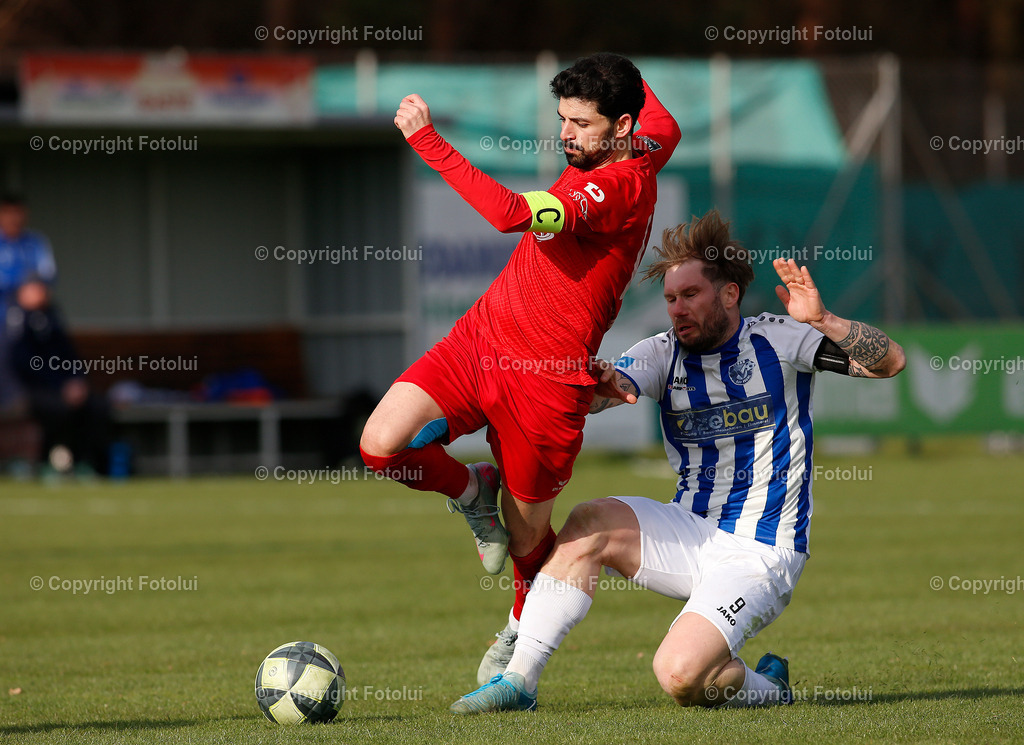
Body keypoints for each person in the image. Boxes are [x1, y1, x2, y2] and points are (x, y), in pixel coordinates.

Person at [449, 210, 906, 713]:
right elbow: (618, 387)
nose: (678, 310)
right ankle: (519, 682)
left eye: (691, 296)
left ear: (729, 294)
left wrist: (823, 320)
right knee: (589, 521)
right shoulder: (661, 353)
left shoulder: (780, 338)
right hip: (688, 530)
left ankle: (769, 688)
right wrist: (597, 390)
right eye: (670, 299)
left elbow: (890, 363)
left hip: (761, 552)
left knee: (682, 678)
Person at [359, 52, 681, 682]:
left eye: (581, 123)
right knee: (379, 445)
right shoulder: (645, 136)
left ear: (620, 128)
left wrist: (426, 138)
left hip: (547, 380)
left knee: (529, 540)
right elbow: (648, 98)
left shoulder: (618, 186)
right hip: (480, 342)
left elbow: (509, 214)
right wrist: (609, 65)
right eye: (562, 118)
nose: (566, 134)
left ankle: (517, 634)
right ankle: (471, 490)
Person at [7, 279, 111, 476]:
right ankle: (48, 462)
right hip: (31, 389)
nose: (40, 293)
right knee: (57, 410)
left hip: (64, 388)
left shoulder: (52, 318)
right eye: (33, 289)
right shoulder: (16, 321)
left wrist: (76, 381)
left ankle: (85, 462)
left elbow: (69, 355)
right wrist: (60, 387)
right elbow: (24, 363)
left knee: (97, 406)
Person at [0, 194, 57, 410]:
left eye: (18, 212)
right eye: (8, 212)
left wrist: (32, 291)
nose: (14, 218)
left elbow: (46, 277)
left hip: (32, 323)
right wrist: (20, 288)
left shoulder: (35, 242)